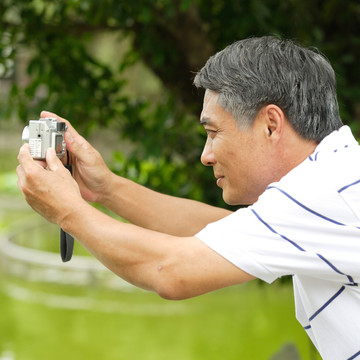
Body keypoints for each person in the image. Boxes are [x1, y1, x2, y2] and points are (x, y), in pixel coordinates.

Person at [17, 36, 360, 359]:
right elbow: (218, 232)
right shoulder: (334, 177)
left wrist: (67, 210)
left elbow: (169, 270)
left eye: (213, 133)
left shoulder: (321, 192)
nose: (206, 155)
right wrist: (105, 188)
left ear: (270, 124)